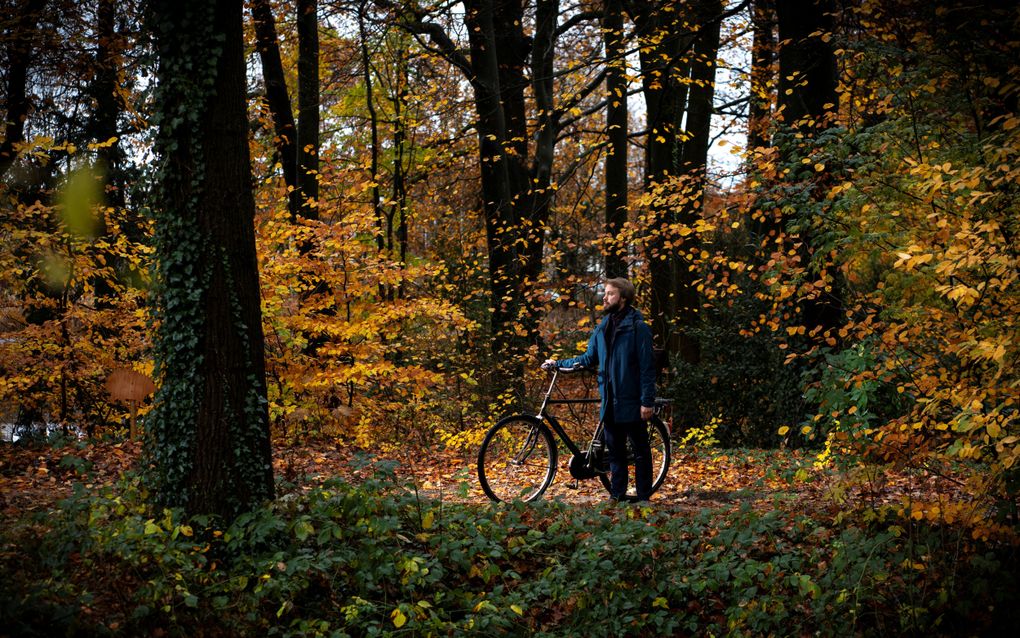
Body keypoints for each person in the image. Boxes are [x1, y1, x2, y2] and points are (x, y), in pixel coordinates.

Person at [543, 278, 656, 502]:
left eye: (610, 294)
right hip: (610, 400)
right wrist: (558, 363)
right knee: (615, 451)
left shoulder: (638, 328)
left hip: (632, 399)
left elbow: (647, 368)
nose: (604, 297)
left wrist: (647, 401)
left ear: (623, 298)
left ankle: (644, 498)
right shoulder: (602, 328)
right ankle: (617, 495)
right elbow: (588, 358)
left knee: (641, 451)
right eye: (605, 293)